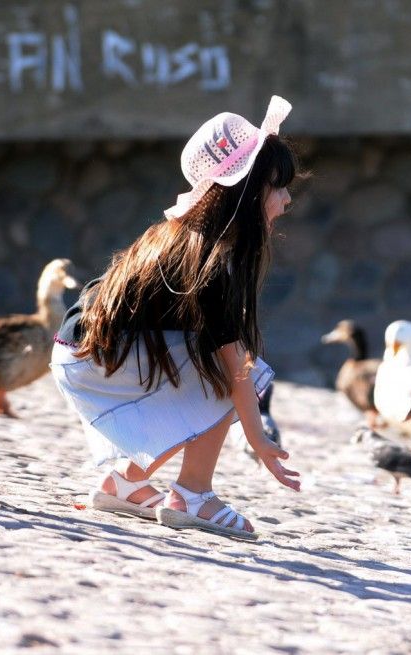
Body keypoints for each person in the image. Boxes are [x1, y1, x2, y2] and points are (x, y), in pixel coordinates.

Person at [50, 96, 301, 541]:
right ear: (246, 192)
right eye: (277, 186)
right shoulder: (212, 260)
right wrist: (259, 439)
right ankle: (193, 495)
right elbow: (235, 365)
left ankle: (124, 484)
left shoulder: (191, 238)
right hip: (92, 353)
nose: (286, 199)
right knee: (227, 373)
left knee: (214, 367)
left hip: (79, 347)